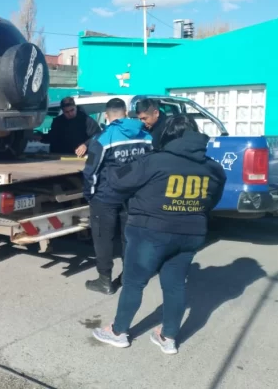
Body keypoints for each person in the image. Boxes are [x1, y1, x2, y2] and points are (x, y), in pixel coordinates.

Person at [91, 116, 227, 355]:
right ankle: (168, 337)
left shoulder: (154, 162)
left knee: (134, 283)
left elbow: (117, 181)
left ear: (166, 136)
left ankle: (118, 332)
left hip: (149, 233)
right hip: (190, 234)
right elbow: (212, 200)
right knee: (175, 286)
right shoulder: (213, 167)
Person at [82, 98, 152, 295]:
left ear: (107, 115)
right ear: (126, 112)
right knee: (128, 238)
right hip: (134, 196)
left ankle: (105, 281)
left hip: (106, 196)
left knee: (103, 238)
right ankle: (127, 276)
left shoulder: (104, 138)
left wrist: (90, 195)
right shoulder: (144, 135)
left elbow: (91, 171)